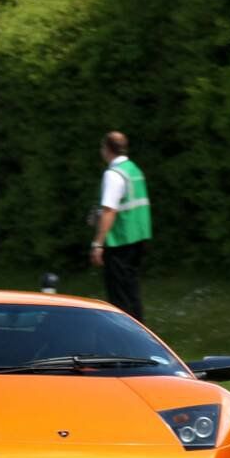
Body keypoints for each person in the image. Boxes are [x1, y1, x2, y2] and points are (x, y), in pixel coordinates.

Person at [89, 130, 152, 322]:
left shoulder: (113, 174)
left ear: (107, 149)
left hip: (120, 240)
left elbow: (110, 210)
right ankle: (140, 332)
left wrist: (98, 243)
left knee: (119, 296)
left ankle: (124, 339)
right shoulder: (133, 169)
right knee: (132, 291)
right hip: (139, 236)